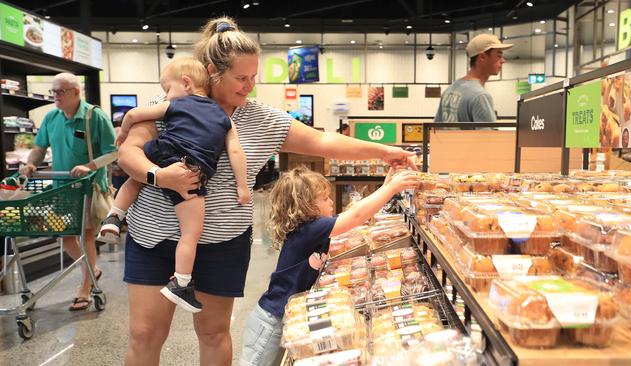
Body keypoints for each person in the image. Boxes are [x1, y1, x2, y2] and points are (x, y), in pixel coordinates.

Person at [118, 16, 415, 366]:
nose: (250, 86)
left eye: (254, 77)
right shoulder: (173, 103)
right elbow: (128, 153)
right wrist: (160, 176)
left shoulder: (262, 119)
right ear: (212, 71)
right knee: (145, 334)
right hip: (155, 236)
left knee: (213, 332)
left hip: (223, 243)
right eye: (241, 78)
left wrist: (385, 152)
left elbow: (322, 141)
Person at [99, 56, 249, 313]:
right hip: (191, 172)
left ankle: (114, 216)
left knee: (140, 178)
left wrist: (123, 133)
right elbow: (235, 151)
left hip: (163, 151)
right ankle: (180, 281)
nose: (165, 96)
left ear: (186, 83)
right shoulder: (224, 117)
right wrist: (242, 186)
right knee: (190, 233)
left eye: (167, 90)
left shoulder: (175, 105)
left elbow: (133, 114)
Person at [239, 167, 419, 366]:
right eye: (325, 198)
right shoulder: (310, 229)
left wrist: (385, 187)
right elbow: (356, 216)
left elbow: (352, 213)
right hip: (271, 322)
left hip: (285, 317)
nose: (332, 201)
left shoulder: (312, 228)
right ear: (306, 206)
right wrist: (392, 188)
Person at [19, 73, 117, 311]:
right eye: (53, 92)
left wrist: (89, 167)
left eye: (60, 91)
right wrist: (32, 163)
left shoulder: (94, 116)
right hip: (61, 188)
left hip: (88, 188)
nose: (56, 96)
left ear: (76, 92)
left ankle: (85, 288)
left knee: (86, 236)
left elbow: (113, 152)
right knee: (65, 238)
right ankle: (92, 270)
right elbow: (39, 148)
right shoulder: (52, 118)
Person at [435, 34, 512, 123]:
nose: (503, 61)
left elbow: (435, 130)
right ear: (482, 57)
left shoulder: (449, 90)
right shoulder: (480, 96)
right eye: (499, 56)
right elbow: (489, 136)